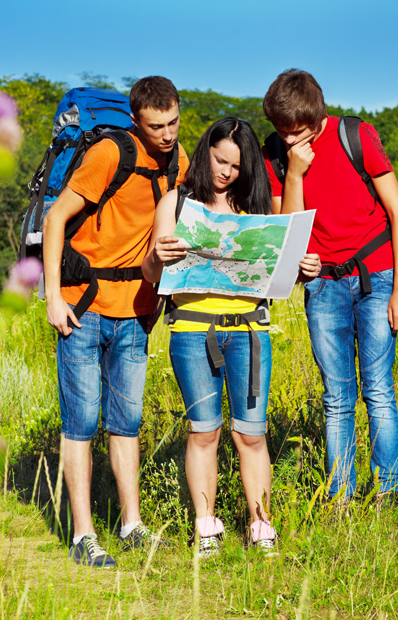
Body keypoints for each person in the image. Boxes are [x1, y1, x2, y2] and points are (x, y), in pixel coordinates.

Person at [142, 118, 321, 557]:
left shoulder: (255, 212)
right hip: (191, 331)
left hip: (249, 333)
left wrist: (300, 270)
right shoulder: (176, 203)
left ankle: (262, 526)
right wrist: (158, 257)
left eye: (236, 166)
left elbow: (277, 280)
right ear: (205, 152)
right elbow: (150, 277)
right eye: (220, 160)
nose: (225, 172)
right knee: (204, 433)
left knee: (252, 435)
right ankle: (207, 527)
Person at [42, 76, 189, 568]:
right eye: (156, 126)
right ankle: (83, 535)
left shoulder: (180, 161)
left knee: (126, 423)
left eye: (172, 123)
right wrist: (50, 296)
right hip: (82, 307)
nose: (166, 135)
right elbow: (55, 219)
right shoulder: (110, 153)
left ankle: (131, 525)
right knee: (81, 423)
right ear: (135, 120)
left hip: (138, 311)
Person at [262, 69, 398, 504]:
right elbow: (284, 231)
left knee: (378, 389)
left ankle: (388, 493)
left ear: (318, 118)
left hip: (377, 276)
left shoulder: (357, 136)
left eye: (298, 133)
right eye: (282, 133)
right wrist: (294, 172)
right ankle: (340, 498)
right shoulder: (275, 154)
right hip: (323, 286)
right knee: (337, 397)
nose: (290, 141)